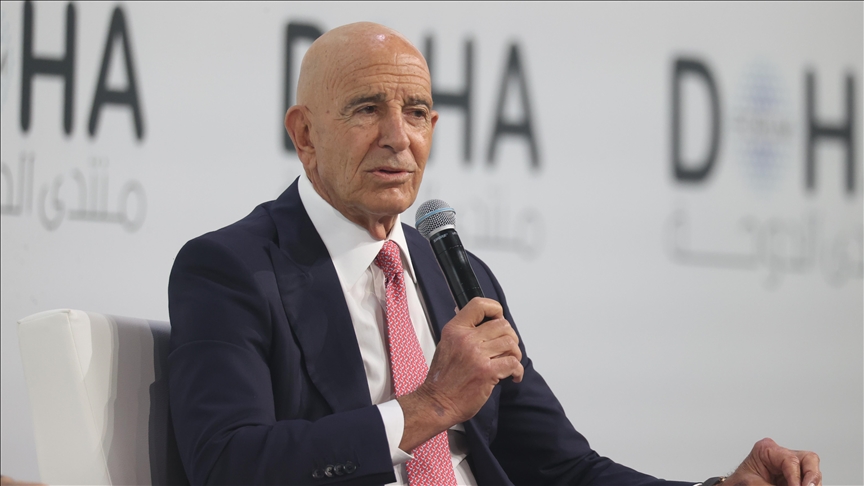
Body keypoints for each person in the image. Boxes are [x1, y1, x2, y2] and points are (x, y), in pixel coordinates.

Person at [167, 22, 822, 486]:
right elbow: (226, 464)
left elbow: (561, 469)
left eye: (416, 113)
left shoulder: (457, 275)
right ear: (305, 133)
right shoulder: (230, 270)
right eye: (367, 109)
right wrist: (430, 406)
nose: (398, 137)